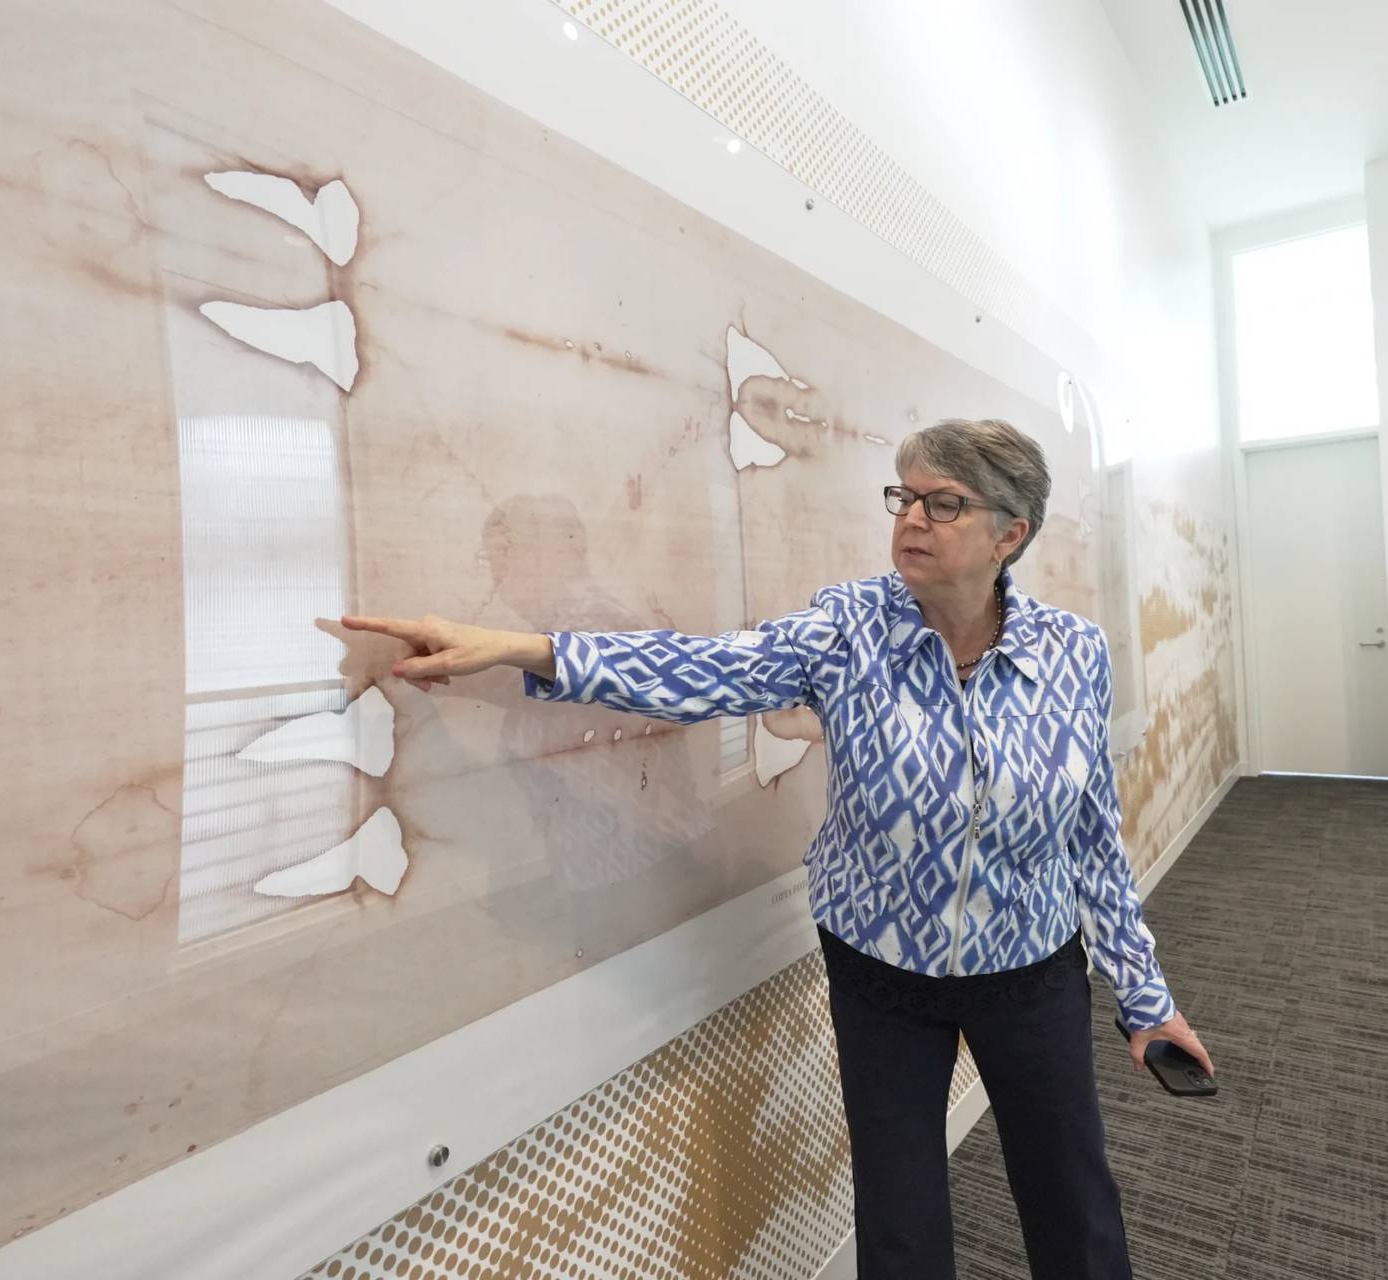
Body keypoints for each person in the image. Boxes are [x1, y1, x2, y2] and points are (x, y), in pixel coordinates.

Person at [344, 417, 1214, 1280]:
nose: (910, 518)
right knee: (901, 1219)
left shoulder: (1073, 654)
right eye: (904, 496)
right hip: (881, 971)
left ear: (1010, 534)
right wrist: (524, 648)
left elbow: (1093, 839)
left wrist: (1145, 996)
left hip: (1030, 967)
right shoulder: (848, 629)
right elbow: (704, 670)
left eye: (943, 504)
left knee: (1071, 1201)